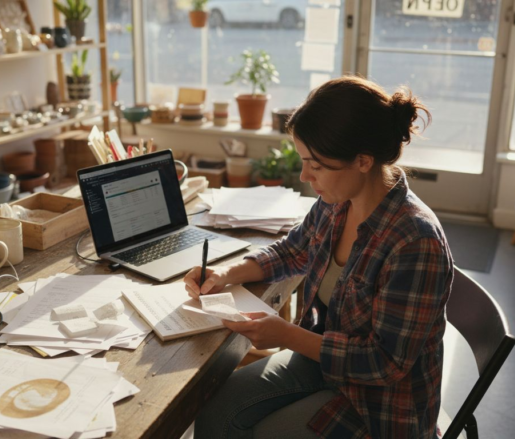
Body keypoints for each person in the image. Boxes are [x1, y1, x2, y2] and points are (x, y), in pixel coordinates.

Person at [185, 76, 453, 438]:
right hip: (324, 365)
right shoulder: (336, 202)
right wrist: (225, 273)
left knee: (261, 433)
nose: (304, 175)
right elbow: (292, 250)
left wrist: (287, 334)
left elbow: (385, 364)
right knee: (212, 412)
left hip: (381, 405)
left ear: (363, 161)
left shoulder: (415, 241)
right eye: (303, 161)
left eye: (316, 165)